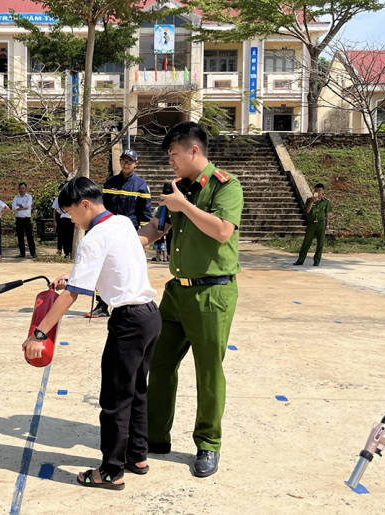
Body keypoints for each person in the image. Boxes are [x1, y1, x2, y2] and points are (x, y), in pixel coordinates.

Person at [21, 177, 161, 491]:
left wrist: (39, 333)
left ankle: (111, 471)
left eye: (71, 212)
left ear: (85, 204)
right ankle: (137, 456)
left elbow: (71, 295)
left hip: (128, 322)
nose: (72, 219)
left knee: (115, 399)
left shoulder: (92, 238)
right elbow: (114, 262)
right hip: (150, 316)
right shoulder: (122, 223)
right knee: (137, 390)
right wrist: (74, 273)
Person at [136, 122, 243, 478]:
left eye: (174, 155)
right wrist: (123, 241)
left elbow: (222, 230)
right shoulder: (177, 189)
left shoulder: (225, 186)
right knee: (159, 362)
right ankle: (155, 436)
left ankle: (208, 444)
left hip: (212, 293)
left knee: (208, 371)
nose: (171, 162)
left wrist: (185, 205)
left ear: (193, 150)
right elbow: (156, 229)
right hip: (176, 292)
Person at [88, 149, 153, 318]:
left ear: (136, 164)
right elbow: (102, 207)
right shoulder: (110, 183)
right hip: (109, 230)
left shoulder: (141, 185)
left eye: (129, 161)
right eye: (123, 160)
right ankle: (102, 305)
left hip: (130, 233)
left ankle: (127, 305)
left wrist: (145, 240)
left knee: (126, 268)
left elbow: (145, 214)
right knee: (104, 266)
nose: (126, 164)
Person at [294, 183, 332, 266]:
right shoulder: (309, 200)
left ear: (323, 191)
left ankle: (317, 260)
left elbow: (327, 214)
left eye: (319, 190)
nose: (318, 192)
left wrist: (327, 225)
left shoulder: (326, 202)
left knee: (320, 242)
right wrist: (312, 202)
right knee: (306, 242)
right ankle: (300, 260)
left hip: (321, 223)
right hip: (311, 223)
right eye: (316, 190)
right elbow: (307, 210)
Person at [13, 182, 36, 259]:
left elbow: (28, 205)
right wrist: (23, 207)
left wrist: (20, 206)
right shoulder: (16, 197)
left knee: (29, 236)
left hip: (26, 219)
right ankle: (22, 253)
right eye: (20, 188)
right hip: (19, 219)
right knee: (20, 237)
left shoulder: (29, 197)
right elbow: (14, 207)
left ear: (26, 189)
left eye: (23, 188)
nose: (21, 190)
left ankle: (33, 253)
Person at [52, 188, 73, 259]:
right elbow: (57, 210)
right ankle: (65, 252)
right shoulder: (58, 199)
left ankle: (70, 251)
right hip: (63, 218)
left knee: (70, 237)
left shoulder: (70, 198)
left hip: (70, 218)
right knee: (63, 237)